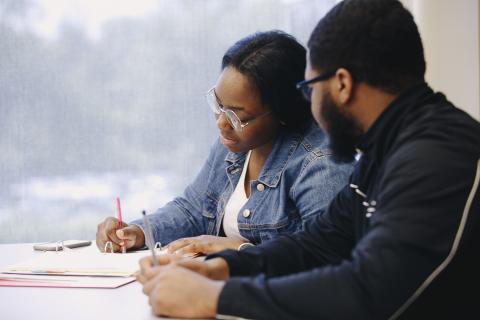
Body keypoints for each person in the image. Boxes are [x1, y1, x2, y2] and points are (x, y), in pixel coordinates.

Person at [137, 0, 480, 319]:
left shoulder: (437, 155)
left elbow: (370, 290)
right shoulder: (388, 149)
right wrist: (223, 268)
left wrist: (215, 297)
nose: (309, 104)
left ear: (342, 84)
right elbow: (319, 244)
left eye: (310, 88)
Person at [96, 30, 353, 255]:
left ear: (284, 112)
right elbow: (192, 210)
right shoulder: (234, 143)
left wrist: (239, 249)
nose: (221, 122)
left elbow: (325, 258)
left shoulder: (322, 164)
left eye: (237, 115)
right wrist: (139, 232)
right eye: (219, 105)